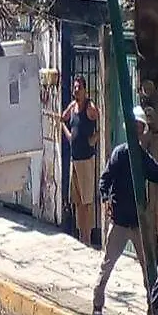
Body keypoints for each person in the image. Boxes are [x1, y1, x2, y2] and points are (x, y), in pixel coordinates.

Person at [93, 106, 158, 315]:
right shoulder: (120, 154)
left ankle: (153, 308)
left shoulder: (141, 157)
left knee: (148, 269)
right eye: (134, 126)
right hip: (119, 223)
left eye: (139, 126)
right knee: (107, 265)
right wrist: (106, 198)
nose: (136, 130)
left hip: (137, 222)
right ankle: (97, 303)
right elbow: (104, 180)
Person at [61, 76, 100, 244]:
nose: (76, 90)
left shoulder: (89, 107)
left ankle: (88, 237)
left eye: (79, 88)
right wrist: (68, 135)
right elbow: (62, 119)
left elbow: (101, 120)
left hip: (86, 160)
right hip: (74, 159)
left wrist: (94, 139)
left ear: (85, 90)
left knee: (87, 201)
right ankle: (80, 236)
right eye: (75, 88)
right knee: (77, 201)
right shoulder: (72, 106)